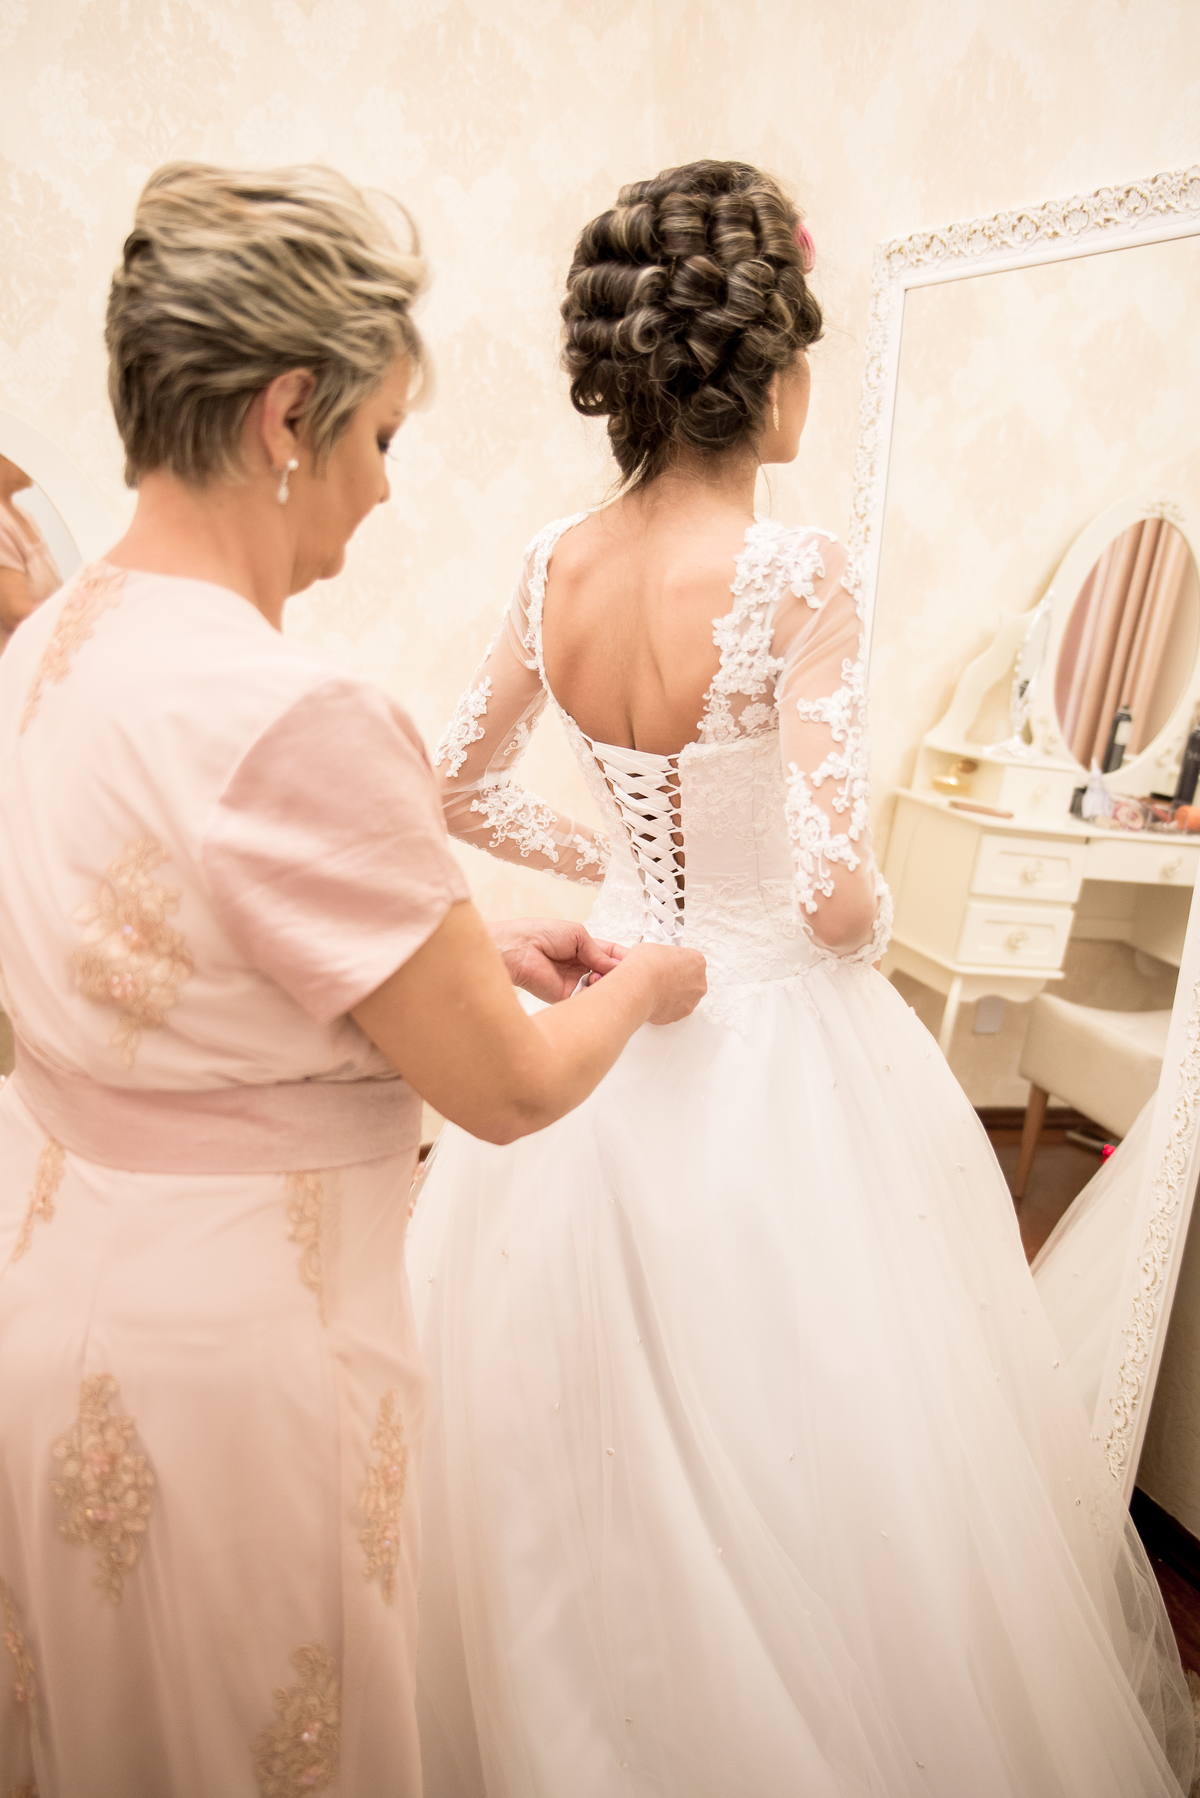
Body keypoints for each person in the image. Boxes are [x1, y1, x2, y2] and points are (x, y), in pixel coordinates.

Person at [409, 160, 1195, 1798]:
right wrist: (843, 902)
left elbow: (457, 787)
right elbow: (836, 902)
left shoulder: (553, 563)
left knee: (562, 1429)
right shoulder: (797, 569)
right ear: (766, 371)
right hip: (771, 1034)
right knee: (816, 1438)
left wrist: (612, 869)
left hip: (600, 1030)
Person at [0, 162, 705, 1798]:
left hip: (51, 1303)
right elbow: (509, 1088)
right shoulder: (297, 712)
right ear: (287, 415)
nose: (384, 490)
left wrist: (458, 956)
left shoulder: (43, 650)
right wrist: (648, 980)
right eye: (382, 437)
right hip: (233, 1376)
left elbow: (164, 958)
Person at [0, 452, 62, 652]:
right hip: (17, 658)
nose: (34, 462)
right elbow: (17, 612)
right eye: (24, 452)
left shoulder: (23, 514)